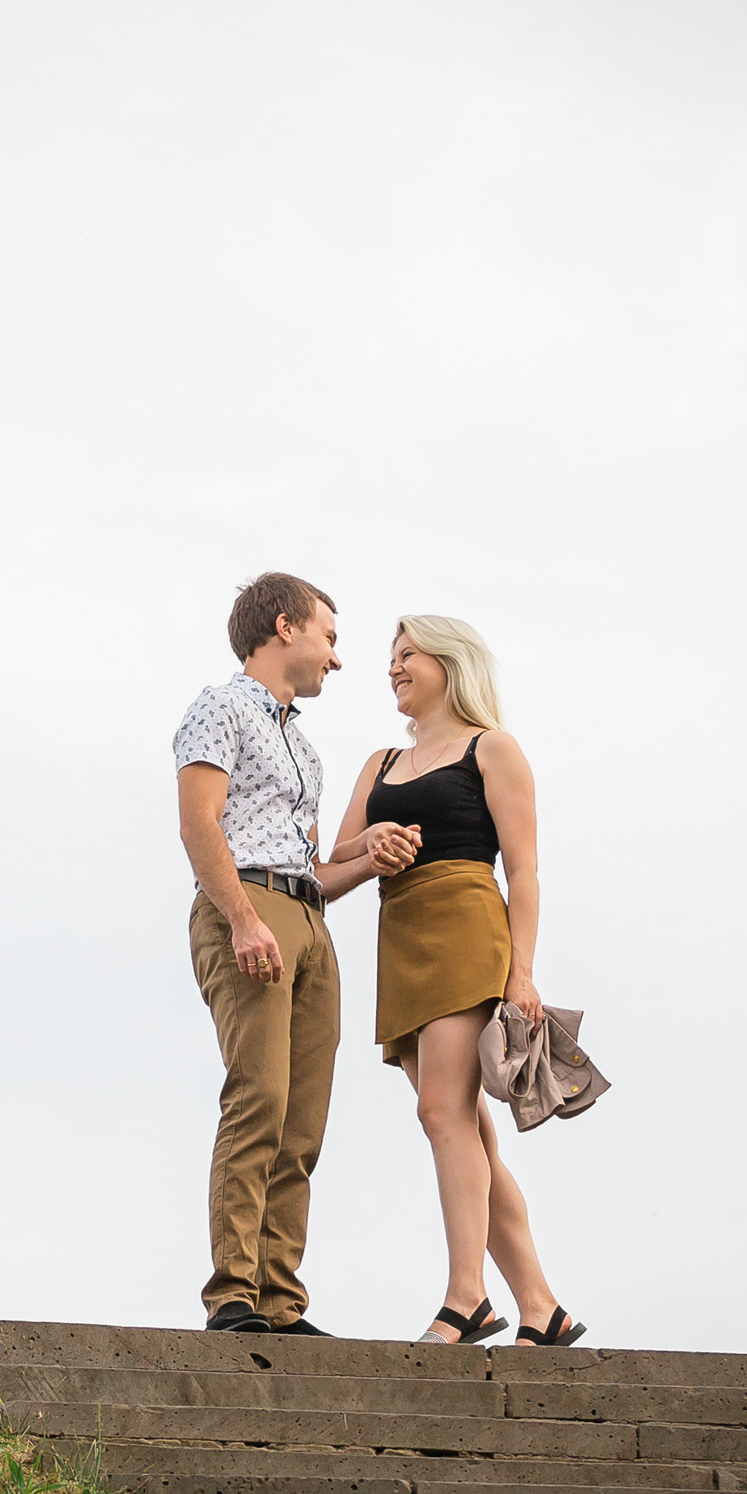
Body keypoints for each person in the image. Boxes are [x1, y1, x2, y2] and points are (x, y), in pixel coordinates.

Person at [332, 614, 586, 1348]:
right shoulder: (378, 761)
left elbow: (525, 870)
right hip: (401, 934)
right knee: (467, 1127)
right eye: (391, 658)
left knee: (442, 1114)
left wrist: (523, 973)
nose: (393, 668)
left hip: (468, 928)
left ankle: (466, 1295)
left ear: (450, 662)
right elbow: (328, 861)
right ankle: (540, 1305)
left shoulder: (492, 748)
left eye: (407, 654)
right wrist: (369, 844)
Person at [174, 574, 418, 1335]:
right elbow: (198, 825)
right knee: (260, 1098)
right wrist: (244, 920)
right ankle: (233, 1294)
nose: (337, 660)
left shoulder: (303, 745)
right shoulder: (219, 706)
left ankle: (280, 1300)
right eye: (330, 637)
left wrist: (367, 853)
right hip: (246, 907)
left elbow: (312, 866)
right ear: (284, 627)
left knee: (303, 1121)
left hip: (309, 917)